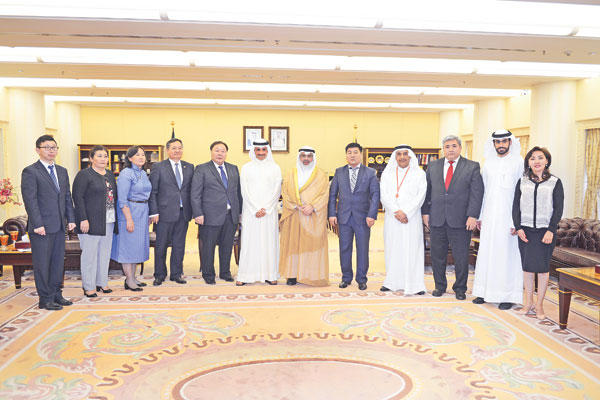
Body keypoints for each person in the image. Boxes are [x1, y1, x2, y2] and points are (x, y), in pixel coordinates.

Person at [421, 135, 484, 300]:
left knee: (461, 257)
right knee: (437, 256)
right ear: (443, 149)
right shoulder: (433, 166)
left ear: (460, 148)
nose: (450, 149)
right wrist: (425, 212)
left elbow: (477, 194)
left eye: (454, 146)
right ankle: (439, 286)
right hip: (437, 218)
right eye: (447, 146)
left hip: (461, 220)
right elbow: (427, 191)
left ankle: (460, 288)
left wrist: (473, 215)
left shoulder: (472, 166)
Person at [21, 134, 76, 310]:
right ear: (38, 150)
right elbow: (30, 200)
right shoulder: (31, 171)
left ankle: (56, 294)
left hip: (59, 225)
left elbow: (67, 196)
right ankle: (44, 299)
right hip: (41, 227)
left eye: (54, 147)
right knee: (42, 264)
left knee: (57, 263)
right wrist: (37, 224)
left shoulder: (62, 171)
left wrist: (71, 219)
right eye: (47, 147)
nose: (51, 150)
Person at [472, 130, 524, 310]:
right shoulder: (488, 163)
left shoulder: (519, 162)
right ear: (493, 144)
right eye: (497, 142)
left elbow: (521, 194)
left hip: (508, 218)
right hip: (489, 216)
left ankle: (507, 295)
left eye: (504, 141)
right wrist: (480, 216)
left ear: (510, 142)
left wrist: (516, 221)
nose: (501, 145)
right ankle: (484, 292)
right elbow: (483, 191)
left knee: (506, 256)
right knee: (487, 253)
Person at [512, 146, 564, 320]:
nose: (536, 161)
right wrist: (518, 227)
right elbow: (515, 206)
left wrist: (551, 230)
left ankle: (539, 305)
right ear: (528, 162)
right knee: (527, 269)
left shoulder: (555, 182)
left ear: (547, 161)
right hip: (525, 231)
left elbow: (558, 209)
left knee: (542, 270)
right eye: (532, 158)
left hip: (545, 232)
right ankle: (528, 303)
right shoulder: (522, 181)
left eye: (540, 157)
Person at [328, 142, 379, 290]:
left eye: (355, 152)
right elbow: (333, 195)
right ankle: (346, 278)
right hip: (343, 217)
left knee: (362, 249)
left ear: (361, 154)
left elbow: (375, 195)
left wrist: (372, 215)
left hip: (363, 218)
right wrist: (332, 214)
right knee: (344, 248)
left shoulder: (370, 173)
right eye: (349, 152)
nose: (352, 155)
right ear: (346, 155)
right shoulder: (339, 172)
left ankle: (362, 279)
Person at [191, 141, 242, 285]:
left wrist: (239, 212)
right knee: (208, 247)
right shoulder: (202, 169)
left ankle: (225, 272)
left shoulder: (233, 168)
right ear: (211, 152)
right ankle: (208, 274)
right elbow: (195, 193)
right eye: (217, 150)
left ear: (226, 153)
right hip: (209, 216)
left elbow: (238, 192)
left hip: (230, 215)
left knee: (227, 246)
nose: (220, 153)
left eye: (223, 151)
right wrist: (198, 213)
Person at [379, 145, 427, 295]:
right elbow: (384, 195)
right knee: (393, 249)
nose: (402, 157)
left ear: (410, 156)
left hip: (411, 219)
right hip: (393, 218)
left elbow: (421, 196)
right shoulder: (387, 174)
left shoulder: (419, 174)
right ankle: (391, 282)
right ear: (395, 157)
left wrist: (406, 212)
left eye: (405, 154)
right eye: (399, 154)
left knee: (413, 250)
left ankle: (415, 285)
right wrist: (396, 211)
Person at [279, 147, 329, 287]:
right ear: (299, 157)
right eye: (303, 156)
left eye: (309, 156)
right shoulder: (291, 174)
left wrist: (312, 206)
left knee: (311, 245)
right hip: (295, 214)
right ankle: (292, 275)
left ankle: (310, 275)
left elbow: (325, 194)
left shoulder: (321, 175)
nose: (306, 159)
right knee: (293, 245)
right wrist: (295, 206)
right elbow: (285, 193)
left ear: (313, 158)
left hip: (312, 215)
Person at [72, 145, 118, 297]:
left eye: (105, 156)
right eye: (99, 156)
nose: (103, 159)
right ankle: (89, 286)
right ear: (91, 158)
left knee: (104, 254)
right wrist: (83, 219)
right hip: (90, 221)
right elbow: (78, 198)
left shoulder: (110, 174)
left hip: (108, 220)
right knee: (90, 255)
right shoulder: (84, 175)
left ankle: (101, 282)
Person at [236, 139, 282, 286]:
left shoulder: (275, 168)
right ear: (253, 151)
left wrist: (266, 208)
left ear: (267, 151)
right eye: (258, 150)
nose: (261, 153)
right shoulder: (246, 168)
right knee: (250, 243)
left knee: (269, 243)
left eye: (263, 150)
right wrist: (255, 209)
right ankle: (245, 275)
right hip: (251, 213)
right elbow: (244, 190)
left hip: (269, 213)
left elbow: (277, 191)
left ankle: (270, 274)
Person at [149, 138, 194, 286]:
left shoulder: (189, 167)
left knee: (179, 245)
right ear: (167, 150)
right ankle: (159, 274)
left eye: (179, 148)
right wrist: (154, 212)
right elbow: (153, 191)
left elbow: (191, 191)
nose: (177, 151)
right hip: (163, 214)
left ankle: (176, 274)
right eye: (174, 148)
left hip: (183, 213)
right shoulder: (158, 167)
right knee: (161, 246)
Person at [111, 146, 152, 291]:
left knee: (136, 247)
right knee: (128, 247)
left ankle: (133, 278)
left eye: (143, 155)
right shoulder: (126, 173)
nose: (141, 157)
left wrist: (148, 215)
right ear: (129, 158)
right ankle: (129, 280)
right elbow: (122, 200)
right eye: (137, 155)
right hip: (129, 212)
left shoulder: (143, 173)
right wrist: (129, 219)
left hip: (142, 212)